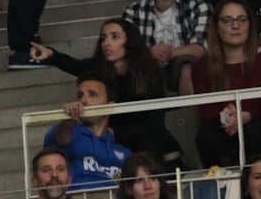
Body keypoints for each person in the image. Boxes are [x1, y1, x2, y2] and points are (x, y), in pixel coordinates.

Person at [40, 20, 177, 160]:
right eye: (104, 38)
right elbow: (74, 65)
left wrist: (117, 133)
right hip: (113, 142)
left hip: (146, 139)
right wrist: (51, 54)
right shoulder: (98, 67)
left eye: (115, 37)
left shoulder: (151, 74)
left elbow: (155, 120)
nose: (106, 43)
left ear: (130, 42)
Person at [184, 0, 261, 168]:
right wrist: (229, 116)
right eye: (227, 20)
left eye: (242, 20)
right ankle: (222, 186)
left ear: (250, 24)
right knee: (207, 135)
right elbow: (206, 111)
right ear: (217, 26)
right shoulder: (201, 66)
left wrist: (245, 116)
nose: (235, 26)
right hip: (222, 128)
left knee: (254, 131)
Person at [46, 78, 133, 192]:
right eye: (80, 95)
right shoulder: (69, 131)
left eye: (92, 94)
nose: (83, 100)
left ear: (110, 105)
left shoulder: (124, 152)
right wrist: (69, 119)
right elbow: (61, 139)